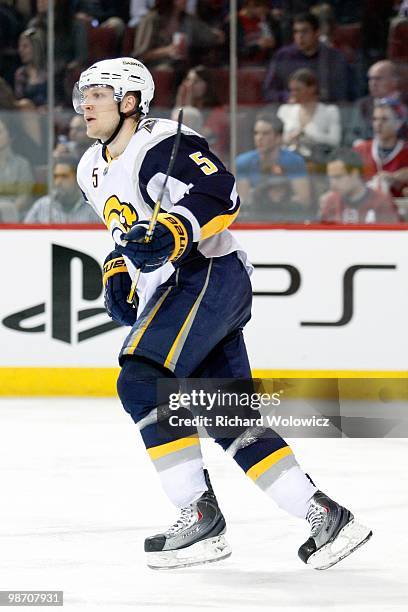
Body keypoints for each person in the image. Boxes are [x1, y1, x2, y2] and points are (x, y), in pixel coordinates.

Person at [75, 56, 372, 571]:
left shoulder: (161, 143)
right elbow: (129, 233)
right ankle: (325, 516)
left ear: (129, 101)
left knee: (141, 380)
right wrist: (119, 269)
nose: (86, 103)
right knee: (228, 417)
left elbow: (221, 193)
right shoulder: (91, 168)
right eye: (84, 93)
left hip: (207, 273)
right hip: (185, 284)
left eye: (99, 93)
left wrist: (170, 232)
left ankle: (199, 514)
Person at [263, 11, 350, 103]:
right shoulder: (282, 56)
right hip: (291, 111)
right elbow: (268, 92)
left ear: (317, 33)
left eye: (305, 31)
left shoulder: (333, 57)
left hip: (324, 111)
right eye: (296, 32)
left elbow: (343, 93)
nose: (300, 36)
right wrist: (289, 97)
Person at [236, 113, 311, 208]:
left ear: (278, 137)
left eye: (265, 133)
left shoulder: (294, 161)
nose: (259, 138)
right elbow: (244, 203)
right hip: (255, 217)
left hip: (288, 216)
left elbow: (304, 201)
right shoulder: (242, 162)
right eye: (256, 133)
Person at [320, 147, 401, 223]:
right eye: (330, 178)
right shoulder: (331, 202)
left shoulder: (382, 202)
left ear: (355, 173)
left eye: (338, 177)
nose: (332, 184)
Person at [277, 68, 342, 156]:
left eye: (297, 90)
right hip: (289, 161)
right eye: (291, 90)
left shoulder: (330, 111)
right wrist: (290, 138)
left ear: (312, 89)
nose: (293, 93)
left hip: (320, 162)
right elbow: (275, 139)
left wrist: (309, 134)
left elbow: (335, 141)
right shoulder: (284, 110)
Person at [353, 98, 408, 198]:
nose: (378, 124)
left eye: (384, 119)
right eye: (375, 119)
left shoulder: (405, 151)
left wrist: (394, 177)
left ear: (398, 124)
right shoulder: (360, 149)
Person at [24, 156, 100, 223]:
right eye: (56, 176)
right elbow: (26, 235)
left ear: (77, 179)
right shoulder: (42, 206)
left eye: (64, 176)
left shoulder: (93, 207)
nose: (58, 182)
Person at [175, 65, 229, 159]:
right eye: (188, 80)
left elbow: (195, 137)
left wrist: (187, 101)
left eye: (196, 81)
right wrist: (180, 101)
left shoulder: (218, 113)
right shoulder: (187, 108)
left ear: (207, 84)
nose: (190, 85)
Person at [345, 61, 403, 145]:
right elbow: (350, 137)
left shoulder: (404, 103)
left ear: (394, 81)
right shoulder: (362, 105)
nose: (373, 83)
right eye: (370, 79)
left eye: (378, 78)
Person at [0, 117, 33, 222]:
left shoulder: (22, 164)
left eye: (0, 132)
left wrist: (8, 212)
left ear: (10, 136)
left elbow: (24, 196)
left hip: (13, 217)